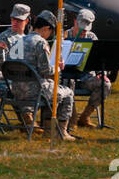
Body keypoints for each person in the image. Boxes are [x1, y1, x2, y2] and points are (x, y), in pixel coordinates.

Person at [6, 10, 76, 140]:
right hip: (34, 91)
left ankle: (47, 128)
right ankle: (60, 132)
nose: (50, 35)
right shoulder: (41, 43)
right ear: (46, 28)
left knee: (52, 88)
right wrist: (58, 67)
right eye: (51, 31)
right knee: (66, 93)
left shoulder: (19, 40)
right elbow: (46, 71)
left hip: (15, 90)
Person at [66, 8, 110, 129]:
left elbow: (100, 58)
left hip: (86, 77)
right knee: (67, 85)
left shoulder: (92, 37)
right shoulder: (65, 35)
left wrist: (102, 73)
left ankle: (85, 117)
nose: (83, 32)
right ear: (75, 22)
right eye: (81, 29)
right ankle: (72, 117)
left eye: (86, 30)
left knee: (105, 85)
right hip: (67, 77)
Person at [0, 3, 31, 68]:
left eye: (19, 20)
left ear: (26, 21)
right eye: (13, 19)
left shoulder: (27, 38)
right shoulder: (4, 38)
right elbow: (0, 66)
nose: (15, 22)